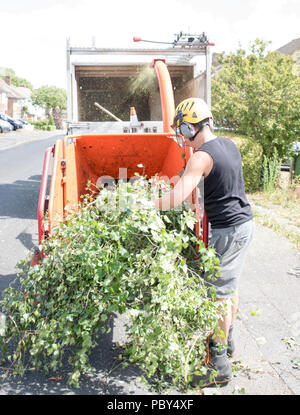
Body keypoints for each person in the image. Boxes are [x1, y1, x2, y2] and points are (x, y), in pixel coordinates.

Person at [154, 97, 254, 387]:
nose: (181, 136)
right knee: (230, 286)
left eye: (181, 130)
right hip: (245, 224)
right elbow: (222, 184)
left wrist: (147, 204)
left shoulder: (200, 156)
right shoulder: (229, 144)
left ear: (188, 128)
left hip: (228, 231)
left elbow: (175, 198)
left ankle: (219, 363)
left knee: (219, 294)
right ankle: (229, 339)